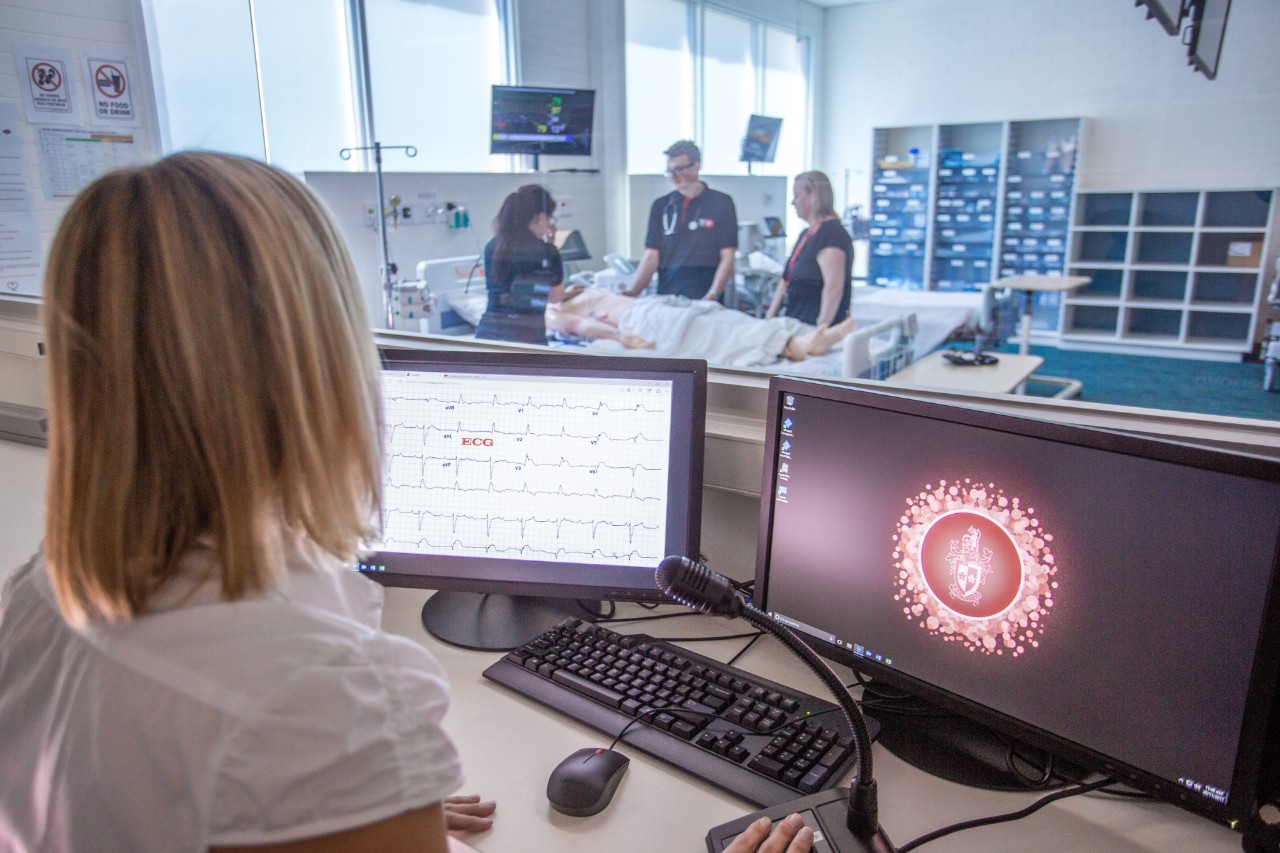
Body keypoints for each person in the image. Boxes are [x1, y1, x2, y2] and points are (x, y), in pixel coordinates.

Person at [0, 152, 495, 852]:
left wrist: (357, 808)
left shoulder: (43, 587)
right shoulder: (312, 704)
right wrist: (352, 784)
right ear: (317, 364)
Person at [547, 288, 855, 364]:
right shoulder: (554, 312)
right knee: (722, 335)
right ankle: (795, 345)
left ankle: (800, 337)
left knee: (727, 321)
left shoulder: (575, 290)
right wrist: (622, 339)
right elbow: (586, 329)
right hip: (644, 321)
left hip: (655, 307)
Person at [625, 140, 738, 301]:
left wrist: (713, 293)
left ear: (696, 166)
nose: (673, 176)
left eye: (678, 169)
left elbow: (728, 256)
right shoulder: (661, 206)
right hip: (668, 295)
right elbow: (651, 255)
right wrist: (632, 292)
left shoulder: (721, 203)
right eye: (669, 171)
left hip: (705, 296)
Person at [477, 184, 565, 345]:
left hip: (488, 336)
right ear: (540, 217)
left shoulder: (493, 247)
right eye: (550, 218)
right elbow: (555, 298)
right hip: (527, 339)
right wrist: (550, 246)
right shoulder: (548, 252)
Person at [765, 171, 854, 327]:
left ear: (814, 196)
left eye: (797, 196)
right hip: (795, 321)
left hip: (813, 327)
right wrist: (769, 320)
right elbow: (786, 278)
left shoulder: (831, 234)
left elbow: (834, 287)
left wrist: (821, 330)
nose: (793, 202)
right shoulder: (808, 234)